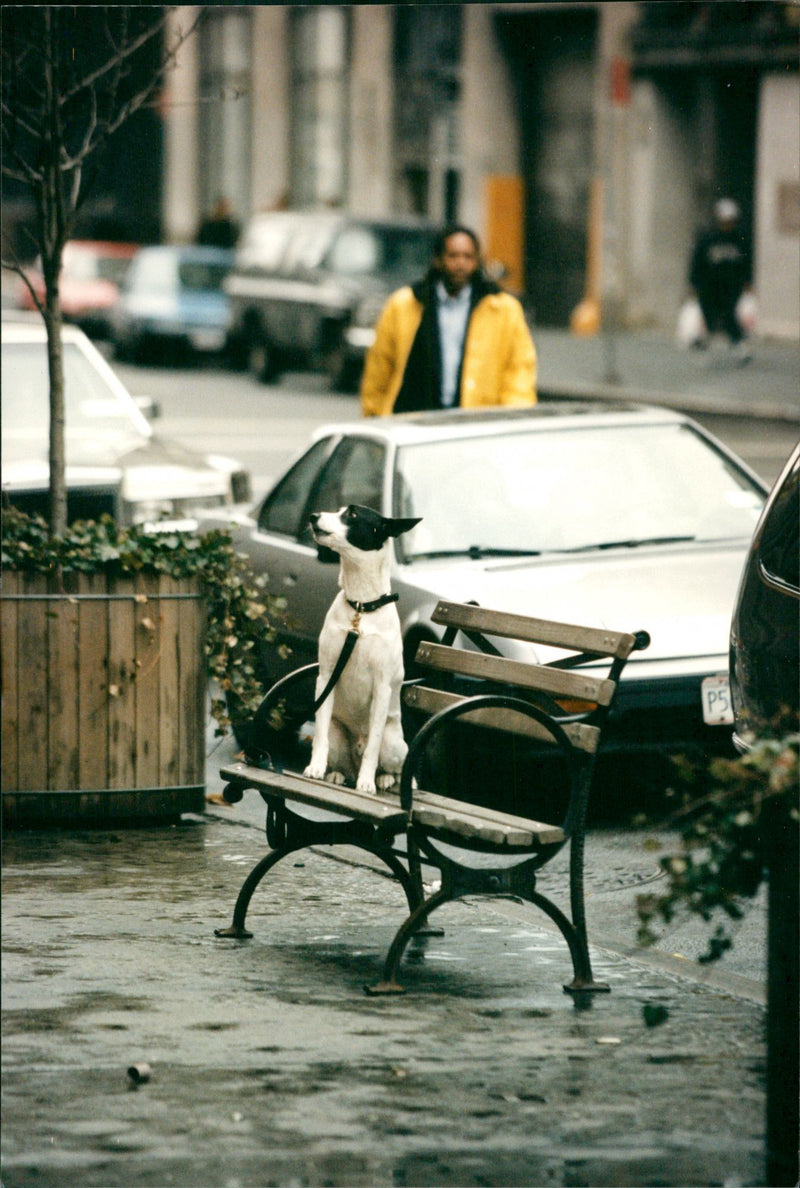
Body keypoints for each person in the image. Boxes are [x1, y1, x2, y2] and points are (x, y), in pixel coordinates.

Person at [360, 224, 537, 416]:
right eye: (453, 256)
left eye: (468, 257)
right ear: (437, 260)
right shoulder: (403, 305)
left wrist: (513, 417)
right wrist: (374, 416)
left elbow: (520, 368)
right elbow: (379, 369)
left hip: (476, 422)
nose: (460, 264)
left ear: (477, 262)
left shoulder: (503, 309)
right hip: (415, 419)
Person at [688, 198, 753, 362]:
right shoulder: (708, 239)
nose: (727, 225)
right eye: (724, 221)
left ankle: (739, 346)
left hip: (731, 285)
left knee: (728, 314)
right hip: (709, 284)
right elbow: (697, 260)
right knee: (708, 311)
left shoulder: (739, 240)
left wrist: (747, 281)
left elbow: (746, 262)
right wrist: (694, 282)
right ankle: (705, 339)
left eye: (730, 221)